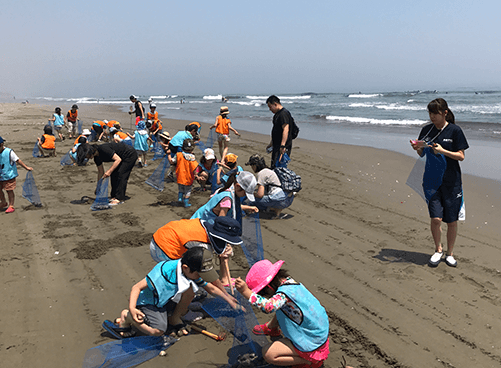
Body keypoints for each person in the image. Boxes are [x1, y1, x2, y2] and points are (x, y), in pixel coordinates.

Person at [104, 247, 239, 338]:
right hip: (149, 303)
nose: (201, 277)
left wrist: (229, 299)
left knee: (191, 291)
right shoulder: (163, 274)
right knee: (157, 331)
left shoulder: (190, 272)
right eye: (200, 273)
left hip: (166, 299)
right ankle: (127, 318)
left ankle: (174, 317)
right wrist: (132, 309)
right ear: (186, 268)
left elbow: (211, 288)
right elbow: (136, 288)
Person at [235, 259, 333, 368]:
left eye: (264, 293)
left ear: (269, 286)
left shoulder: (283, 295)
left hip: (312, 340)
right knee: (284, 308)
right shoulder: (289, 282)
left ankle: (308, 361)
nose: (267, 296)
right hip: (319, 330)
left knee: (268, 354)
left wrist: (246, 292)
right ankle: (271, 327)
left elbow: (268, 307)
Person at [410, 98, 469, 268]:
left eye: (435, 113)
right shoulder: (426, 130)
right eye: (430, 113)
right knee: (436, 218)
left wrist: (443, 151)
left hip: (452, 182)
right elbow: (422, 154)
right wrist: (418, 148)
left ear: (444, 112)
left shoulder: (455, 131)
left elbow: (461, 156)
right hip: (431, 181)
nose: (432, 117)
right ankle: (438, 249)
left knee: (451, 220)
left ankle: (450, 253)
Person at [149, 216, 243, 292]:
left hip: (162, 235)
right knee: (185, 277)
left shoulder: (206, 223)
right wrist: (224, 294)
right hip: (163, 248)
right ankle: (177, 304)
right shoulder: (202, 245)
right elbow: (208, 272)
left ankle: (160, 272)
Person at [245, 154, 294, 218]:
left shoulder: (261, 173)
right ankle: (276, 211)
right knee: (268, 196)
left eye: (252, 165)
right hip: (288, 199)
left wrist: (251, 194)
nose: (252, 167)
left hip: (279, 200)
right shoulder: (269, 170)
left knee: (249, 200)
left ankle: (270, 210)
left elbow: (260, 194)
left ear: (256, 165)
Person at [0, 136, 34, 213]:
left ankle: (11, 205)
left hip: (9, 175)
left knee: (9, 190)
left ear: (1, 145)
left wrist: (26, 167)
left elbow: (18, 160)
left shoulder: (9, 152)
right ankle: (3, 202)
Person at [168, 138, 198, 207]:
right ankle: (186, 203)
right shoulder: (192, 157)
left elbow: (172, 161)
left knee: (181, 188)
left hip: (180, 176)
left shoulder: (178, 154)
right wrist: (196, 174)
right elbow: (194, 167)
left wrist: (169, 154)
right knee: (188, 191)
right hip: (188, 177)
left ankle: (180, 199)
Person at [266, 95, 294, 168]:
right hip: (276, 145)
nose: (269, 109)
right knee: (274, 165)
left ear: (275, 104)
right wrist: (271, 143)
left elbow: (286, 129)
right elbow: (277, 130)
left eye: (270, 107)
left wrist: (283, 145)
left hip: (283, 146)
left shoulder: (283, 114)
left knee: (279, 167)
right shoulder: (277, 115)